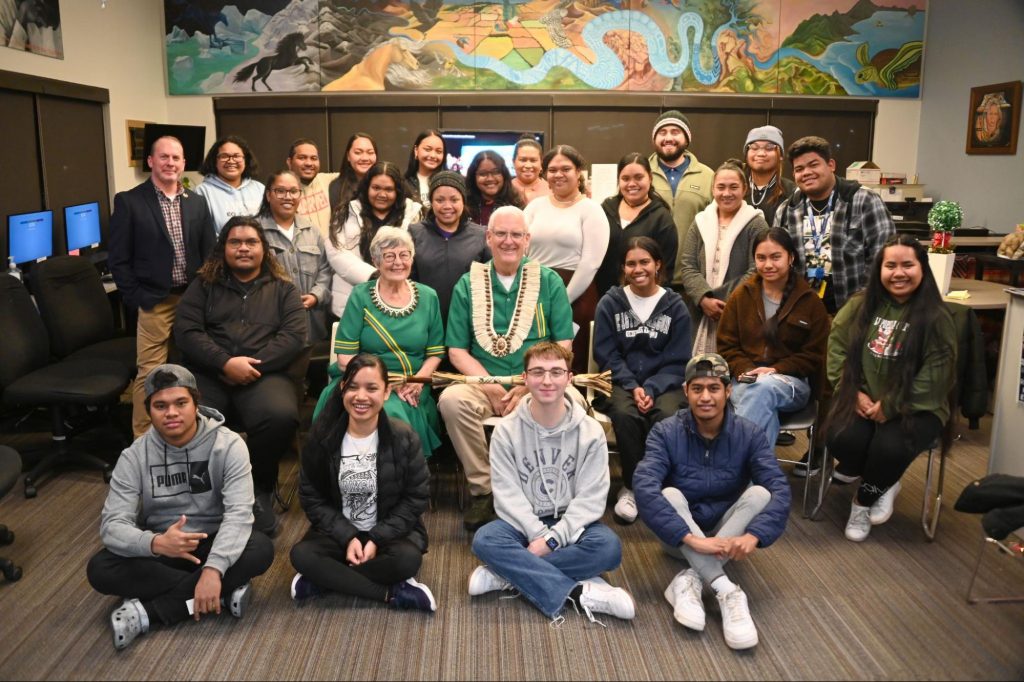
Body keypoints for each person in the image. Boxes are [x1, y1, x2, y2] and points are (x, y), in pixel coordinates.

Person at [86, 364, 274, 651]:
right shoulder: (134, 456)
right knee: (100, 568)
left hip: (212, 541)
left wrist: (213, 569)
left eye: (180, 403)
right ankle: (220, 594)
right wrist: (156, 543)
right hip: (163, 547)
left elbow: (238, 514)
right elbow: (112, 526)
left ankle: (150, 613)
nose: (171, 413)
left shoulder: (229, 445)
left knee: (260, 548)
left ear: (196, 404)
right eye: (160, 406)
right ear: (149, 411)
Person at [469, 343, 635, 625]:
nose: (547, 380)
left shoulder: (590, 432)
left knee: (609, 547)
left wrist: (553, 539)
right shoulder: (506, 431)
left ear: (569, 379)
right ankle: (579, 592)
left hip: (571, 522)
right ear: (525, 378)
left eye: (556, 372)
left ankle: (506, 574)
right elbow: (507, 495)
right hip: (523, 524)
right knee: (485, 539)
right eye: (538, 372)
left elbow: (591, 498)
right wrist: (539, 535)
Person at [634, 354, 791, 651]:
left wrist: (755, 535)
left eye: (714, 388)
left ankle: (690, 580)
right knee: (669, 494)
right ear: (686, 391)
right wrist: (692, 539)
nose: (705, 397)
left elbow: (779, 488)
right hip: (679, 539)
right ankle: (726, 589)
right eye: (697, 388)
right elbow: (644, 487)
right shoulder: (665, 432)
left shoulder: (749, 434)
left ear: (728, 391)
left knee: (760, 494)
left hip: (725, 535)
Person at [438, 206, 575, 531]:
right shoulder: (468, 283)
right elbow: (456, 350)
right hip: (482, 380)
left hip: (539, 380)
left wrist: (530, 384)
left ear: (527, 240)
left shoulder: (549, 281)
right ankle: (485, 490)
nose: (508, 241)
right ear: (488, 238)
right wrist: (489, 386)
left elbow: (564, 345)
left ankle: (546, 489)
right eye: (501, 233)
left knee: (575, 405)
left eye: (516, 234)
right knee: (451, 401)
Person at [173, 217, 307, 537]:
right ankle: (204, 494)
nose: (243, 248)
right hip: (209, 372)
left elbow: (293, 337)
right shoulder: (203, 285)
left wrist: (250, 367)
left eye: (251, 242)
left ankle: (259, 489)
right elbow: (187, 332)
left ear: (264, 249)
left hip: (265, 374)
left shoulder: (284, 289)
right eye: (235, 242)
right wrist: (225, 363)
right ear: (223, 248)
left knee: (279, 416)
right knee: (191, 415)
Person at [825, 234, 956, 542]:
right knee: (840, 438)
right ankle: (886, 478)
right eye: (890, 266)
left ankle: (863, 500)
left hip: (917, 407)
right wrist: (852, 392)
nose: (899, 273)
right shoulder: (860, 305)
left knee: (889, 450)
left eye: (907, 265)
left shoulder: (936, 317)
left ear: (922, 268)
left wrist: (892, 405)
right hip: (862, 398)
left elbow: (937, 373)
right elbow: (837, 348)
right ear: (879, 269)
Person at [290, 353, 437, 612]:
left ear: (386, 391)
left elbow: (416, 498)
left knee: (407, 560)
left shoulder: (404, 436)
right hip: (338, 535)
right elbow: (312, 498)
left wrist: (376, 539)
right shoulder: (322, 437)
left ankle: (326, 578)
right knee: (301, 555)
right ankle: (391, 593)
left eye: (371, 388)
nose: (361, 396)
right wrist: (348, 537)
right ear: (342, 389)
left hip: (389, 535)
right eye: (353, 387)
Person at [108, 135, 217, 438]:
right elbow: (118, 259)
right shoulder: (130, 201)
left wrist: (205, 294)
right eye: (164, 157)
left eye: (176, 158)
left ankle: (188, 435)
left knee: (190, 367)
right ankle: (143, 442)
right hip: (155, 300)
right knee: (150, 372)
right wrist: (137, 297)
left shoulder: (196, 202)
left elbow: (210, 253)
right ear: (151, 161)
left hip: (192, 298)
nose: (170, 163)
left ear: (184, 163)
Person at [314, 228, 445, 459]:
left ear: (412, 259)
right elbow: (345, 359)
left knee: (394, 413)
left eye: (404, 255)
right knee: (384, 409)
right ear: (376, 261)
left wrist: (417, 382)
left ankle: (398, 474)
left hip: (411, 384)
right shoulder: (360, 295)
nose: (398, 262)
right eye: (389, 256)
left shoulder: (428, 296)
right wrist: (380, 384)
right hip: (362, 381)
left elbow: (435, 352)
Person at [593, 237, 691, 524]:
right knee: (626, 414)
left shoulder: (675, 306)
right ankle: (632, 487)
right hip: (619, 381)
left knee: (668, 415)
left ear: (657, 264)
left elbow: (678, 359)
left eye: (644, 262)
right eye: (631, 263)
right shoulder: (610, 303)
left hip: (665, 383)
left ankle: (660, 485)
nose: (638, 269)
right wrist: (633, 386)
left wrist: (650, 387)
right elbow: (606, 354)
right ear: (623, 268)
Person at [716, 228, 829, 449]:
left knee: (762, 389)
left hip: (792, 383)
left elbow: (814, 355)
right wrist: (748, 370)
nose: (768, 265)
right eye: (761, 258)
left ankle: (729, 463)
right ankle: (757, 470)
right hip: (745, 378)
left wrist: (775, 370)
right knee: (762, 403)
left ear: (791, 257)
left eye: (776, 257)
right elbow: (727, 346)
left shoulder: (810, 302)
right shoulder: (741, 296)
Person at [773, 135, 895, 315]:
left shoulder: (864, 201)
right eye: (799, 169)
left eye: (813, 165)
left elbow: (884, 257)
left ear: (831, 165)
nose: (806, 172)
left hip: (854, 311)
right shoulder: (787, 210)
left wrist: (862, 305)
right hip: (803, 312)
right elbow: (778, 261)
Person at [525, 144, 610, 373]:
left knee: (569, 362)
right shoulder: (534, 207)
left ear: (578, 172)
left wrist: (561, 301)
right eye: (552, 170)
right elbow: (521, 247)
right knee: (532, 357)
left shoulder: (591, 210)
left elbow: (591, 263)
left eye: (566, 169)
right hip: (533, 291)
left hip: (575, 295)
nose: (558, 175)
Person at [679, 159, 768, 353]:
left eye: (733, 187)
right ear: (713, 189)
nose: (726, 193)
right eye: (721, 187)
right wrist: (704, 299)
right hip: (701, 311)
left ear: (744, 189)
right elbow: (688, 265)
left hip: (740, 311)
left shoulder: (756, 224)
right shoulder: (700, 221)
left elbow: (757, 269)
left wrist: (724, 302)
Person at [325, 161, 422, 319]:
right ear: (366, 187)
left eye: (389, 189)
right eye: (376, 188)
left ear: (398, 191)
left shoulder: (413, 214)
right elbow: (336, 252)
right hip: (351, 301)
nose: (382, 194)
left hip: (399, 304)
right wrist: (373, 275)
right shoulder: (345, 212)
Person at [257, 169, 332, 345]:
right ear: (268, 195)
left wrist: (316, 295)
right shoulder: (255, 230)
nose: (288, 197)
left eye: (293, 191)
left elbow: (325, 270)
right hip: (271, 326)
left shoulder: (312, 230)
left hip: (311, 325)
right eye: (280, 191)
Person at [408, 170, 489, 322]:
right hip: (425, 318)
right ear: (431, 202)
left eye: (454, 200)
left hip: (467, 320)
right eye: (439, 200)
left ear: (463, 201)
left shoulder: (481, 235)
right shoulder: (415, 233)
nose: (447, 206)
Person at [596, 152, 678, 298]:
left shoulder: (661, 218)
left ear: (650, 178)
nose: (632, 184)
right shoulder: (605, 209)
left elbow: (666, 270)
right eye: (625, 178)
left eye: (639, 177)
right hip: (604, 297)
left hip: (643, 299)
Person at [647, 110, 714, 284]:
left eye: (675, 132)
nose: (668, 138)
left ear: (687, 139)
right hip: (649, 279)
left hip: (693, 280)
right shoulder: (640, 173)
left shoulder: (708, 176)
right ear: (654, 139)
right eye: (662, 132)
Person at [194, 135, 265, 234]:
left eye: (236, 156)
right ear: (214, 161)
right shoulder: (202, 191)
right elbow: (204, 233)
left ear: (246, 160)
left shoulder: (260, 188)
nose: (231, 161)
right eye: (224, 156)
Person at [285, 138, 338, 239]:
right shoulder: (282, 192)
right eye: (302, 158)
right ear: (289, 162)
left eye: (314, 158)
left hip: (331, 247)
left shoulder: (328, 180)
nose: (309, 163)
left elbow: (360, 175)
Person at [743, 126, 795, 227]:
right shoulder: (735, 188)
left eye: (769, 148)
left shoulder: (791, 192)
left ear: (781, 155)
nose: (761, 153)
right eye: (754, 147)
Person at [465, 150, 524, 227]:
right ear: (473, 177)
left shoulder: (516, 205)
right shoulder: (464, 206)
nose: (490, 178)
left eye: (496, 172)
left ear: (504, 175)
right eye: (483, 174)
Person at [328, 132, 378, 213]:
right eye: (358, 152)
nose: (365, 158)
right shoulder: (337, 187)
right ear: (348, 156)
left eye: (370, 152)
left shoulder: (386, 184)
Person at [404, 129, 447, 203]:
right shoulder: (403, 183)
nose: (433, 155)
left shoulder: (449, 183)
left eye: (439, 151)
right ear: (416, 150)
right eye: (428, 149)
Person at [510, 136, 549, 204]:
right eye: (523, 160)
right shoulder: (503, 190)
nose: (528, 165)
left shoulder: (552, 190)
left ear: (541, 163)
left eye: (533, 160)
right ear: (513, 162)